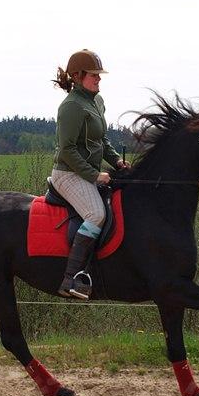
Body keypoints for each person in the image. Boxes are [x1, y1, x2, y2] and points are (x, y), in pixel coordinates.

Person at [51, 49, 129, 300]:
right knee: (96, 214)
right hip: (68, 174)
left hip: (88, 172)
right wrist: (95, 175)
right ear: (78, 75)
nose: (98, 79)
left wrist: (116, 161)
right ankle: (71, 279)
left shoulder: (97, 101)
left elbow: (101, 140)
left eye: (99, 75)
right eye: (94, 75)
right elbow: (67, 149)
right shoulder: (71, 106)